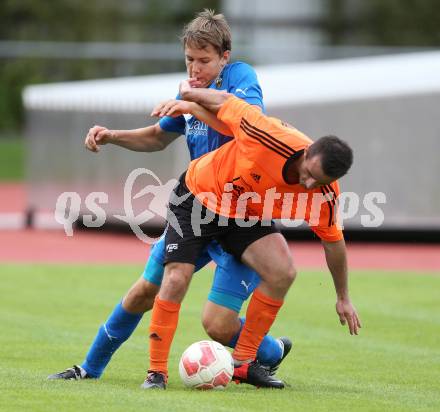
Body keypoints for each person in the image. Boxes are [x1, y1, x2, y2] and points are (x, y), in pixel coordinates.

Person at [48, 10, 291, 383]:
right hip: (198, 207)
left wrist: (192, 99)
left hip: (244, 210)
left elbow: (245, 121)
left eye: (204, 60)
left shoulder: (240, 77)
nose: (195, 68)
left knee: (218, 324)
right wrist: (112, 135)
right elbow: (158, 137)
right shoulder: (190, 94)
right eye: (189, 60)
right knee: (147, 289)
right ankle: (90, 368)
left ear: (225, 57)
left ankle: (269, 352)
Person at [143, 80, 362, 390]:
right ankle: (156, 373)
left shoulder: (325, 192)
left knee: (282, 271)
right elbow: (224, 101)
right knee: (176, 278)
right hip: (197, 196)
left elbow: (334, 243)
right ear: (307, 151)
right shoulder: (268, 134)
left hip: (243, 213)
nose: (310, 184)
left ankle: (244, 363)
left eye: (320, 180)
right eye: (309, 173)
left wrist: (343, 297)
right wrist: (188, 95)